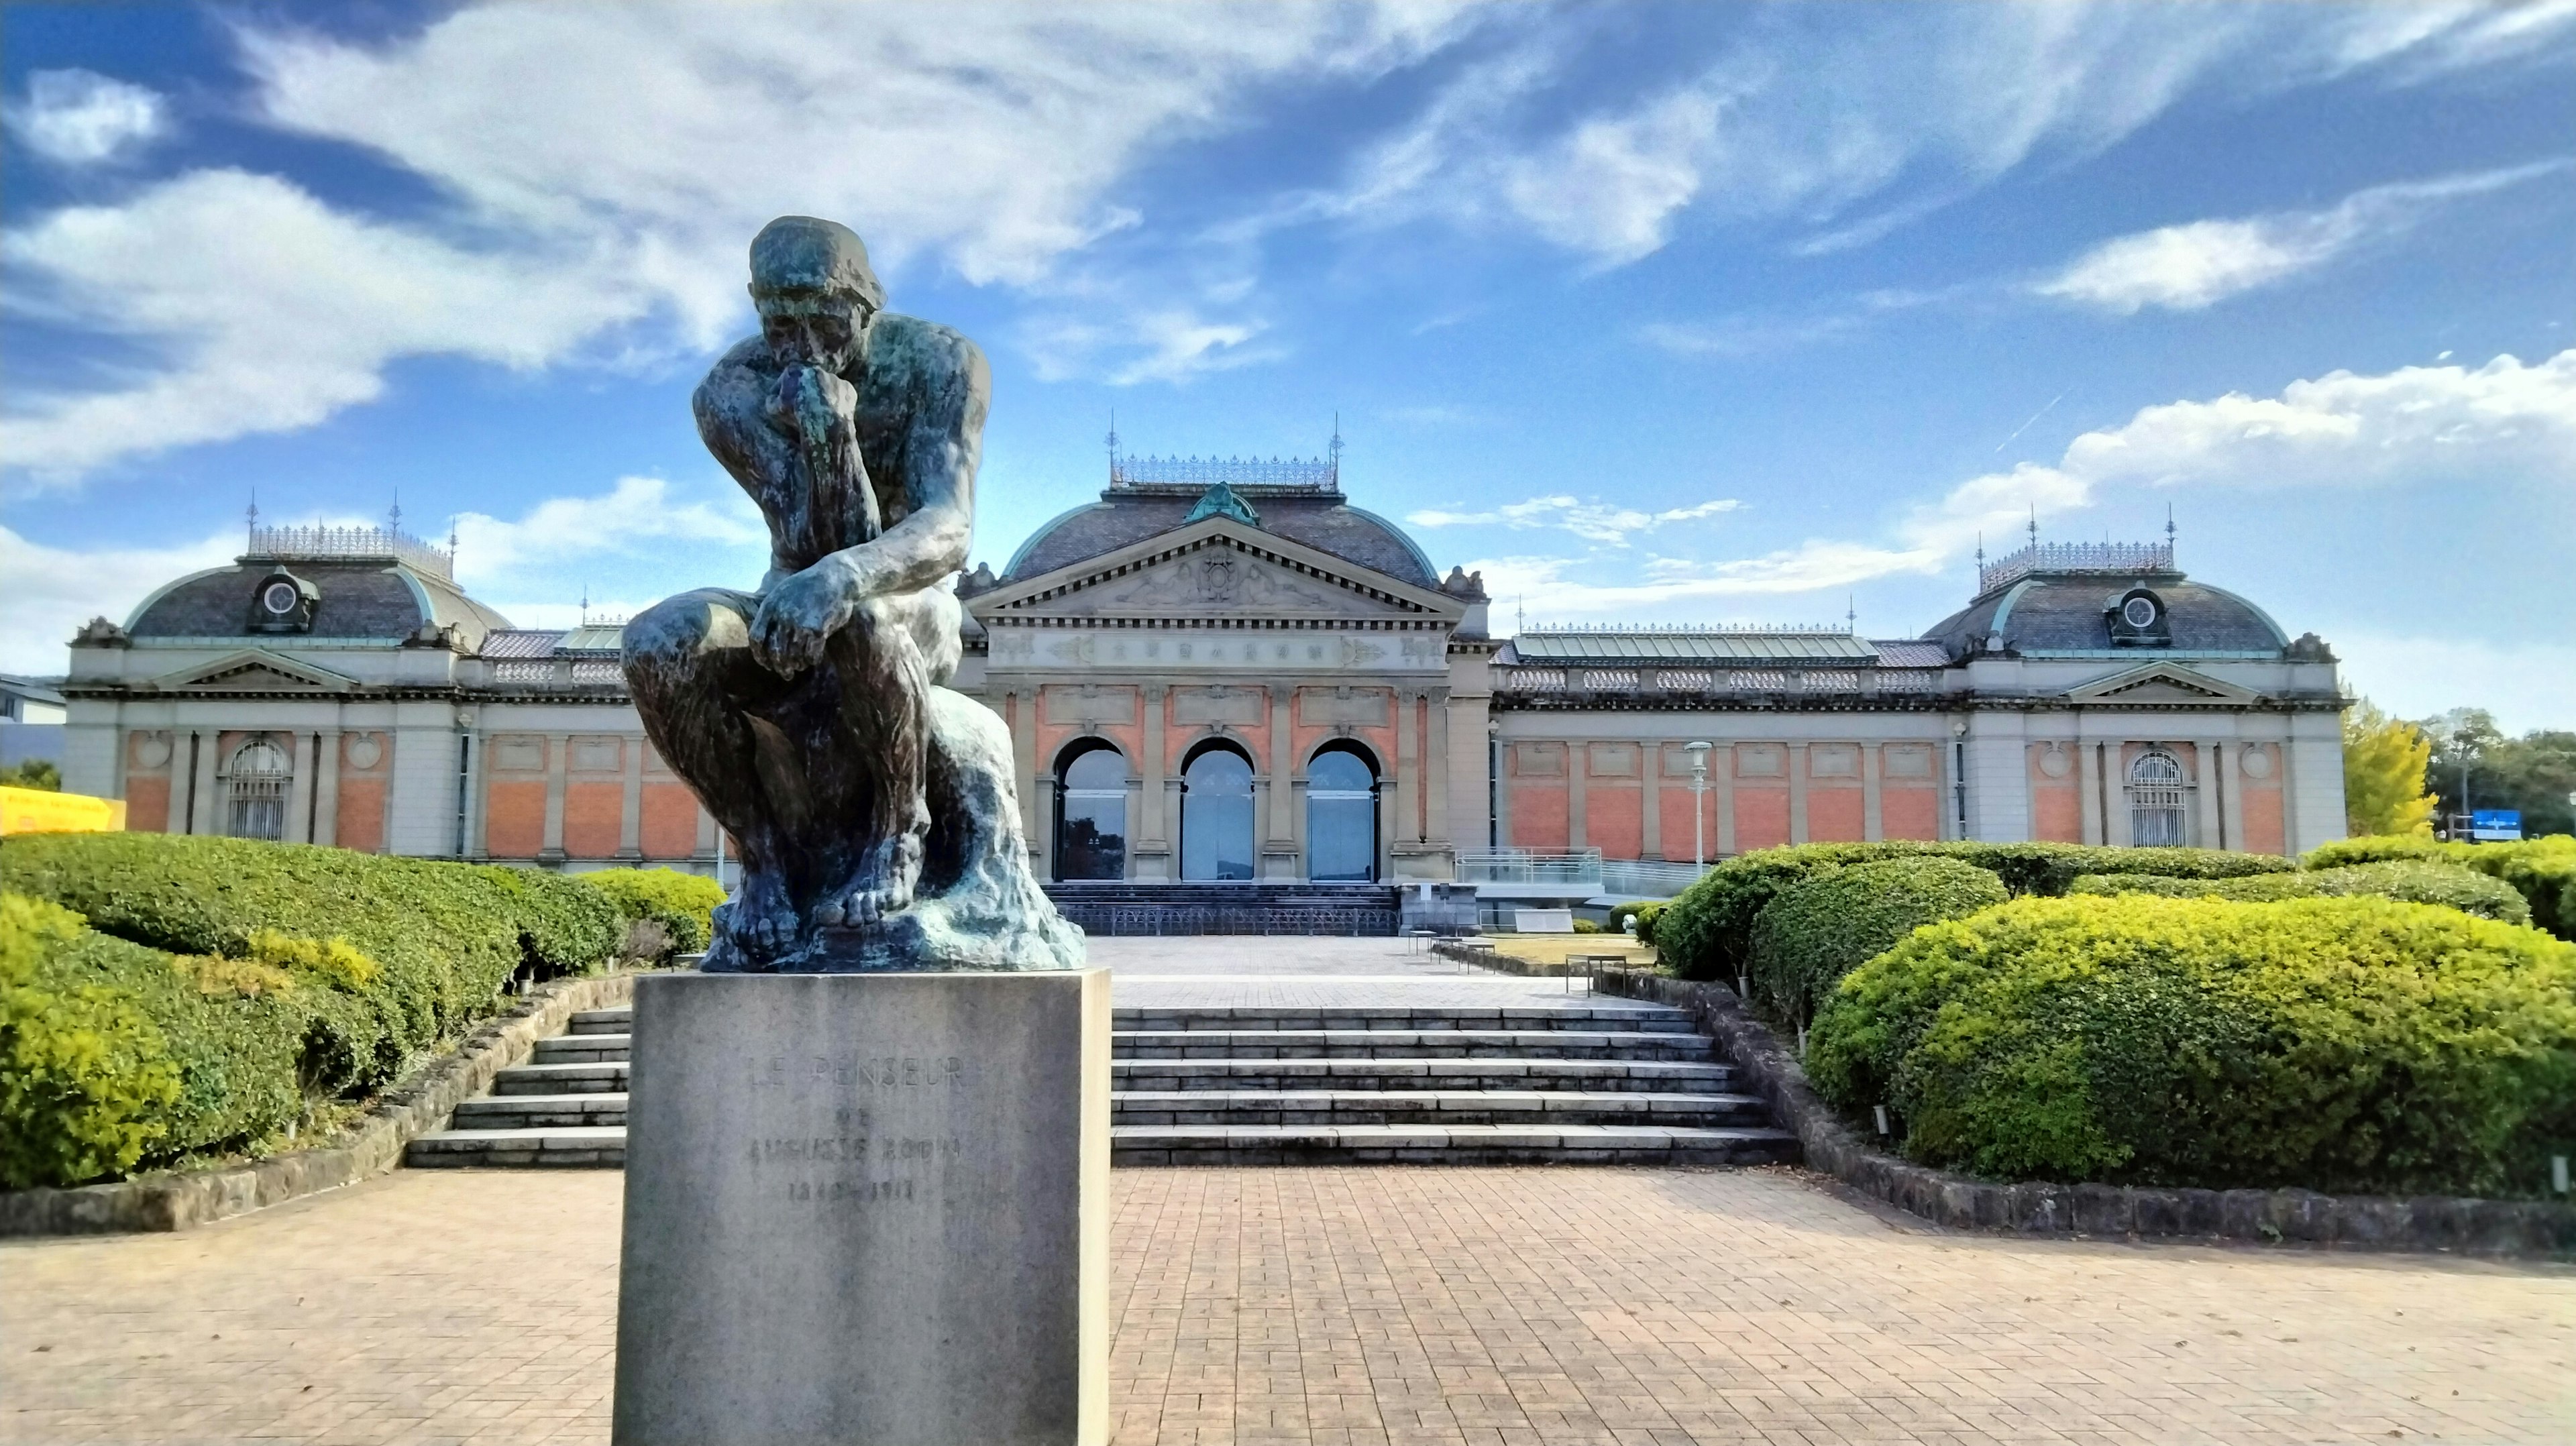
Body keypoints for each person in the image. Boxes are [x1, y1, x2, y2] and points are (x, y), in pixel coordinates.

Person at [623, 216, 986, 968]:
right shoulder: (730, 392)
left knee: (861, 613)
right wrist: (825, 434)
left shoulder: (941, 362)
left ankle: (897, 833)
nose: (804, 346)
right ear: (758, 311)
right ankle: (763, 860)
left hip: (906, 596)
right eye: (780, 323)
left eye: (823, 318)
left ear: (866, 301)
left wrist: (846, 573)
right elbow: (811, 538)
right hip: (791, 593)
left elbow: (947, 527)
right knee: (657, 641)